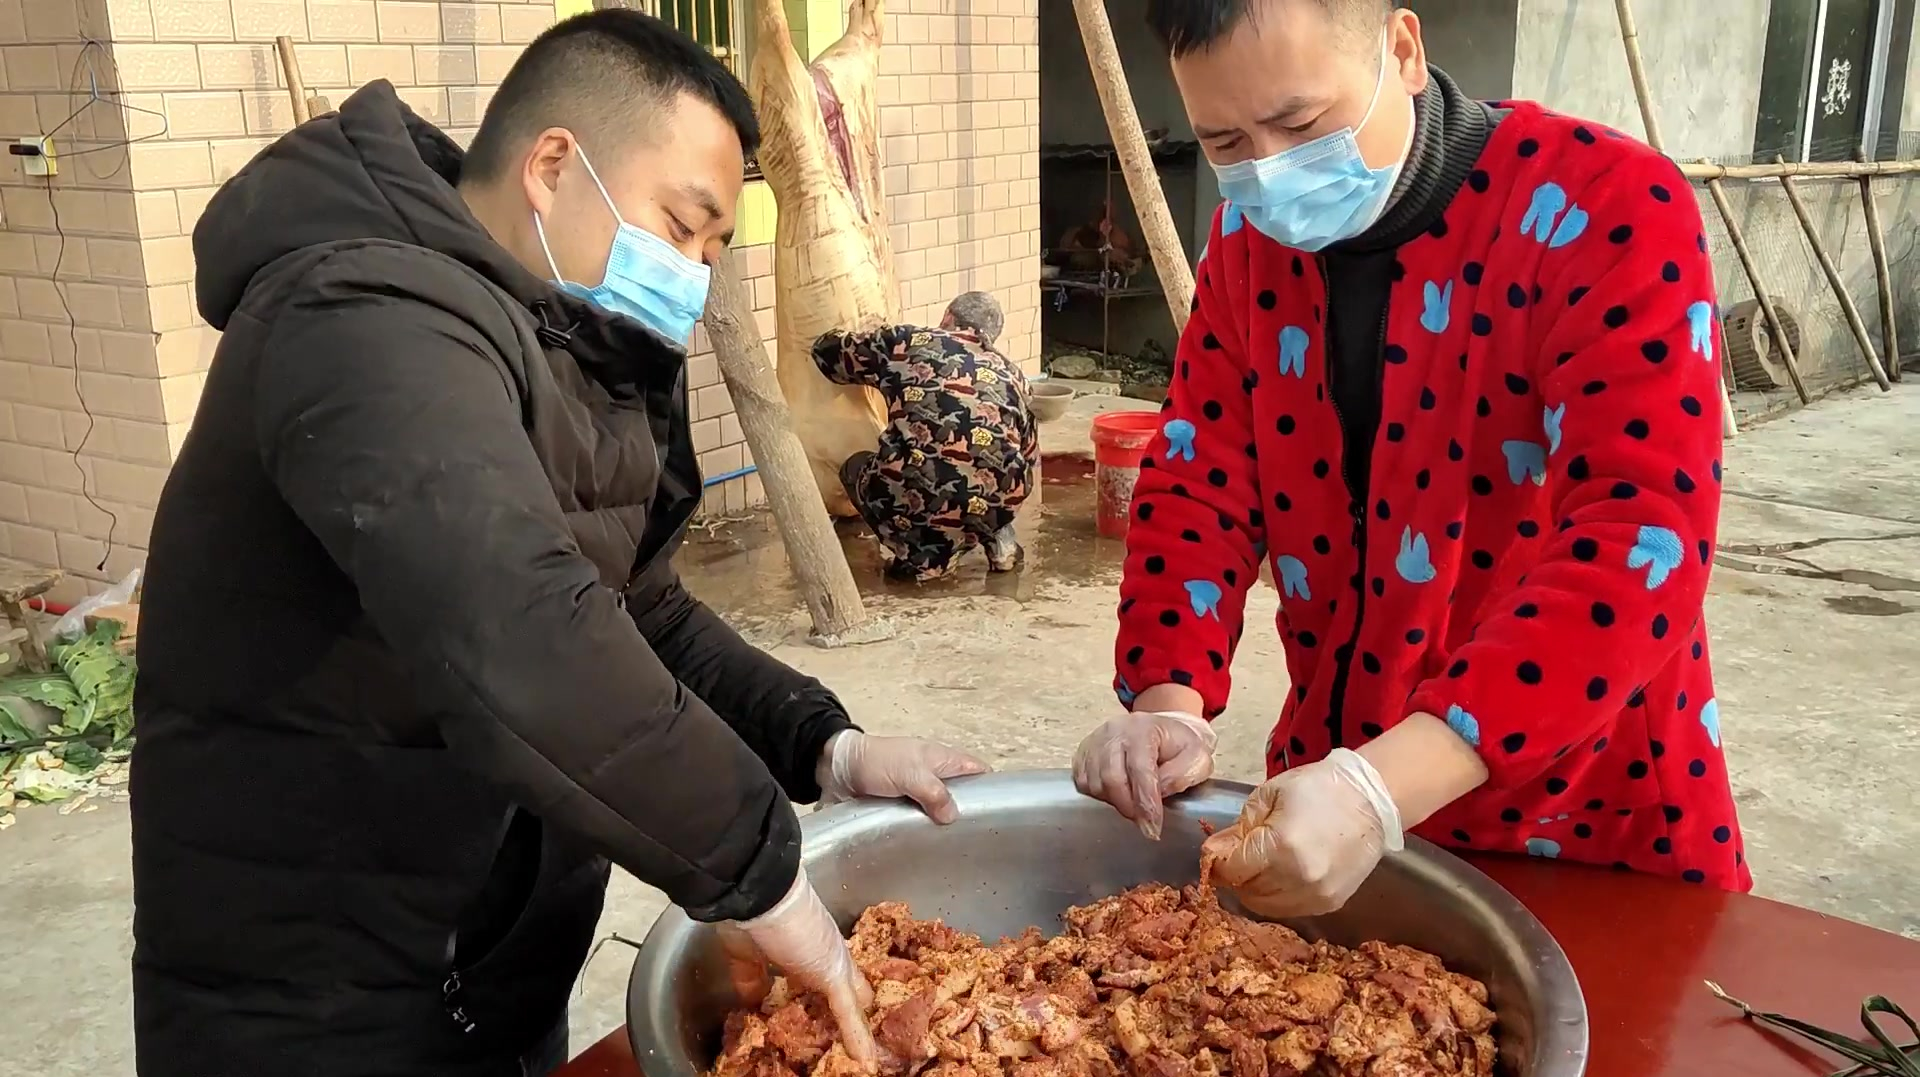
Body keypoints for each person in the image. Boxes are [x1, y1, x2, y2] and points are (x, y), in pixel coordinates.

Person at [129, 12, 985, 1077]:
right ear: (550, 166)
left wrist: (824, 746)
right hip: (319, 1004)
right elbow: (525, 636)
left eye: (716, 248)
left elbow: (640, 613)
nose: (695, 274)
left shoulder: (564, 344)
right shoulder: (358, 313)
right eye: (682, 225)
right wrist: (760, 871)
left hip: (487, 978)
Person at [1072, 0, 1748, 916]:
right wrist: (1168, 701)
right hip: (1324, 798)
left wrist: (1380, 790)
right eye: (1224, 142)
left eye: (1300, 124)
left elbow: (1639, 543)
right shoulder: (1246, 244)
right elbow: (1198, 483)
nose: (1268, 171)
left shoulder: (1606, 210)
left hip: (1586, 819)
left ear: (1403, 48)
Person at [811, 291, 1037, 581]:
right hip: (995, 502)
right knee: (988, 477)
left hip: (922, 492)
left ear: (947, 317)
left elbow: (828, 354)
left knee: (855, 467)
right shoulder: (1013, 375)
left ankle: (917, 555)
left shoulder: (907, 341)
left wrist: (835, 333)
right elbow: (1028, 457)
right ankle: (998, 539)